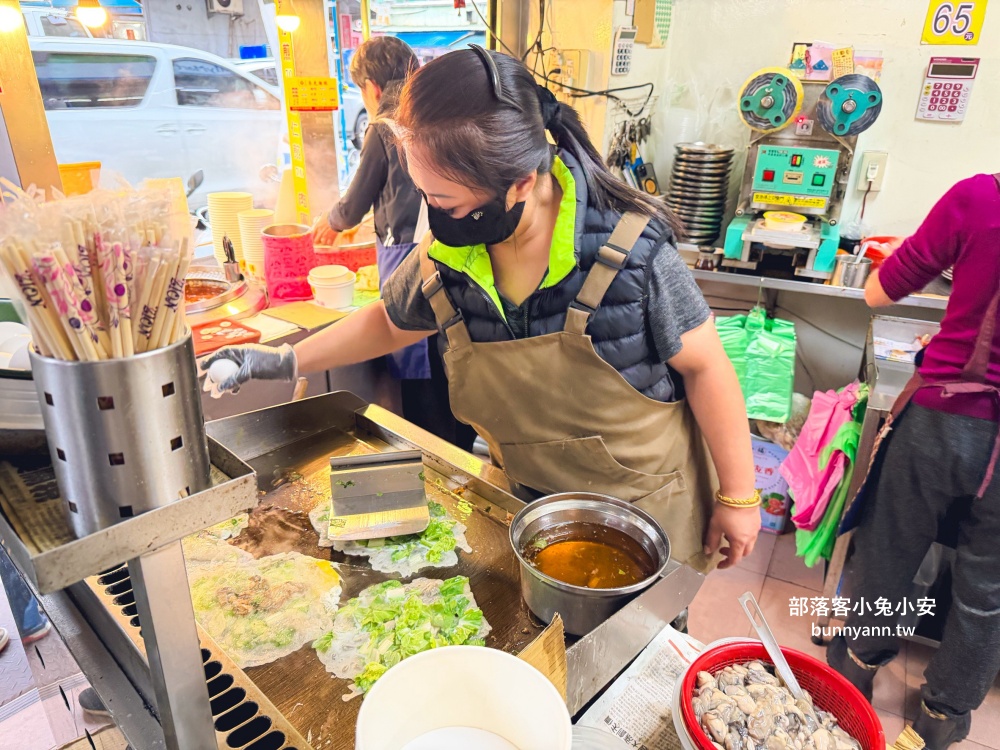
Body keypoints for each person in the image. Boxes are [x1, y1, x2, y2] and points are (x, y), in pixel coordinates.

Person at [205, 47, 760, 571]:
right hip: (522, 508)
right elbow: (389, 321)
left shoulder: (632, 254)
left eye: (444, 201)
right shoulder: (453, 256)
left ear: (519, 184)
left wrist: (739, 497)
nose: (433, 214)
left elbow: (707, 367)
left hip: (642, 517)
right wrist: (278, 362)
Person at [828, 173, 1000, 749]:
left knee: (892, 549)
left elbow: (880, 292)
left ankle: (857, 668)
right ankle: (941, 717)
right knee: (988, 588)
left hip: (945, 417)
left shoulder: (980, 197)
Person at [311, 37, 476, 452]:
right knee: (451, 374)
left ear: (371, 87)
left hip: (411, 263)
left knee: (422, 387)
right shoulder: (432, 120)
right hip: (453, 260)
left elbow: (353, 205)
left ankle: (440, 463)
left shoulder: (385, 127)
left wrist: (330, 223)